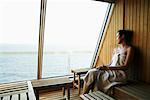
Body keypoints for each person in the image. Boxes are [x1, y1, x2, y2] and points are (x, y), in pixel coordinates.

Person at [83, 30, 134, 94]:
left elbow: (125, 67)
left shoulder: (129, 49)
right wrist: (103, 66)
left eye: (117, 36)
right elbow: (111, 63)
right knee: (92, 72)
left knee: (93, 74)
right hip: (111, 70)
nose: (116, 38)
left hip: (120, 74)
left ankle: (85, 96)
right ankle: (85, 96)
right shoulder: (116, 50)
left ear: (123, 36)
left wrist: (107, 68)